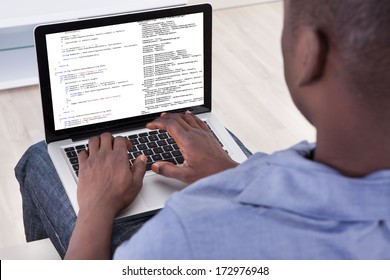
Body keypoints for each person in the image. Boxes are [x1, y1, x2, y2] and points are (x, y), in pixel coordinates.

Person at [15, 0, 390, 259]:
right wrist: (234, 174)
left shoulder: (186, 236)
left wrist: (97, 205)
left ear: (310, 53)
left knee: (39, 157)